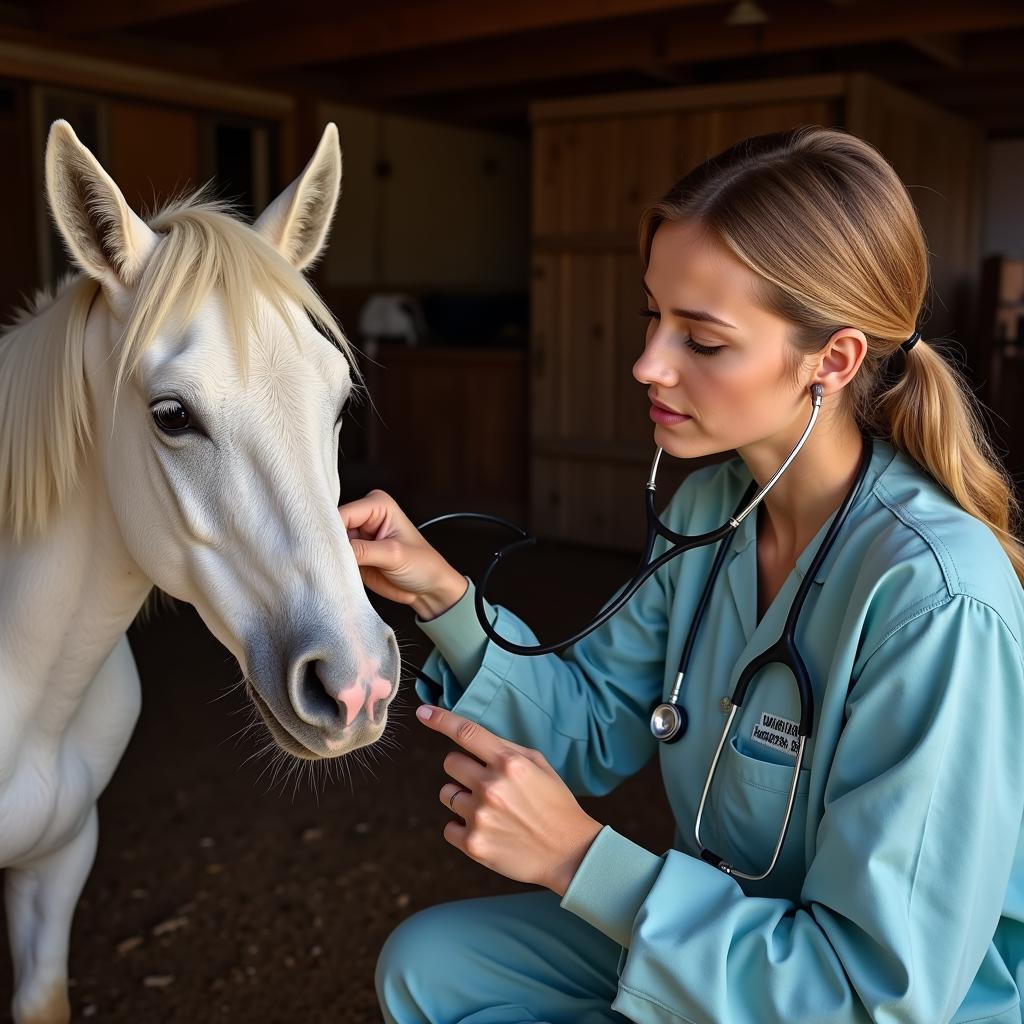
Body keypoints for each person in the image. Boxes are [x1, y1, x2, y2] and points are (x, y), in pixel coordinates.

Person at [340, 126, 1024, 1024]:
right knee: (430, 966)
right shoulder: (713, 509)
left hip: (845, 993)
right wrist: (439, 594)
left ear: (835, 359)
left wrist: (580, 862)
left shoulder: (938, 600)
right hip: (719, 926)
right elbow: (589, 727)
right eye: (651, 317)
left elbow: (874, 998)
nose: (647, 365)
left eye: (701, 340)